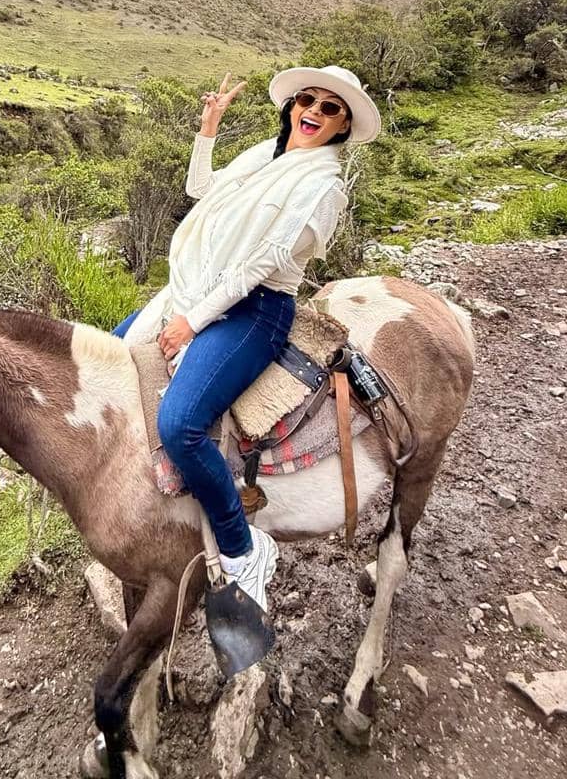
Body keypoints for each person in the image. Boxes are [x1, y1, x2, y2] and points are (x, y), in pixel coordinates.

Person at [114, 65, 381, 610]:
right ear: (292, 106)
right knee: (112, 357)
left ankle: (241, 546)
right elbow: (201, 193)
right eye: (307, 99)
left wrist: (194, 320)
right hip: (200, 289)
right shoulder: (264, 156)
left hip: (255, 310)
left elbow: (263, 263)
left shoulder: (322, 185)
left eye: (331, 108)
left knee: (181, 423)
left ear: (343, 125)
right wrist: (207, 131)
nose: (314, 111)